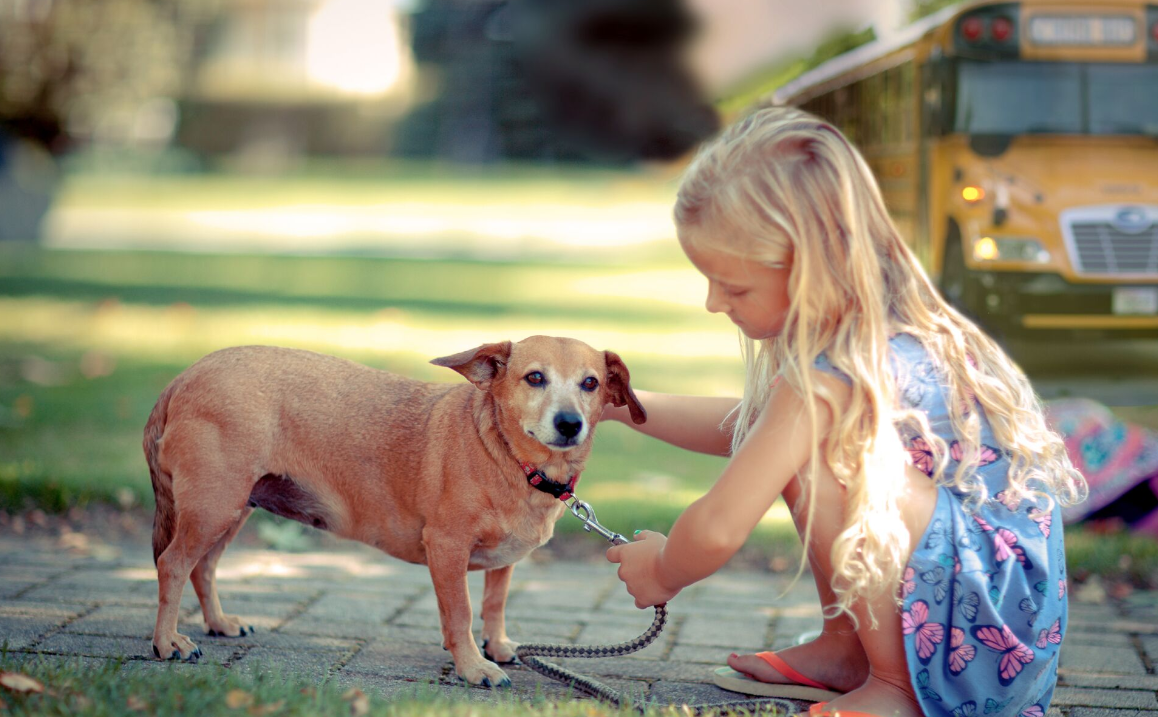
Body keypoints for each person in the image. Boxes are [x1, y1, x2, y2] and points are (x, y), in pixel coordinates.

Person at [601, 106, 1087, 717]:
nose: (711, 303)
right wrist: (622, 407)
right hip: (987, 608)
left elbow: (722, 525)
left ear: (807, 267)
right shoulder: (860, 338)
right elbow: (750, 432)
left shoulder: (843, 369)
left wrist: (664, 571)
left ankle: (900, 689)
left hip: (983, 638)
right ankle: (848, 653)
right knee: (802, 448)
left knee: (829, 456)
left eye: (734, 286)